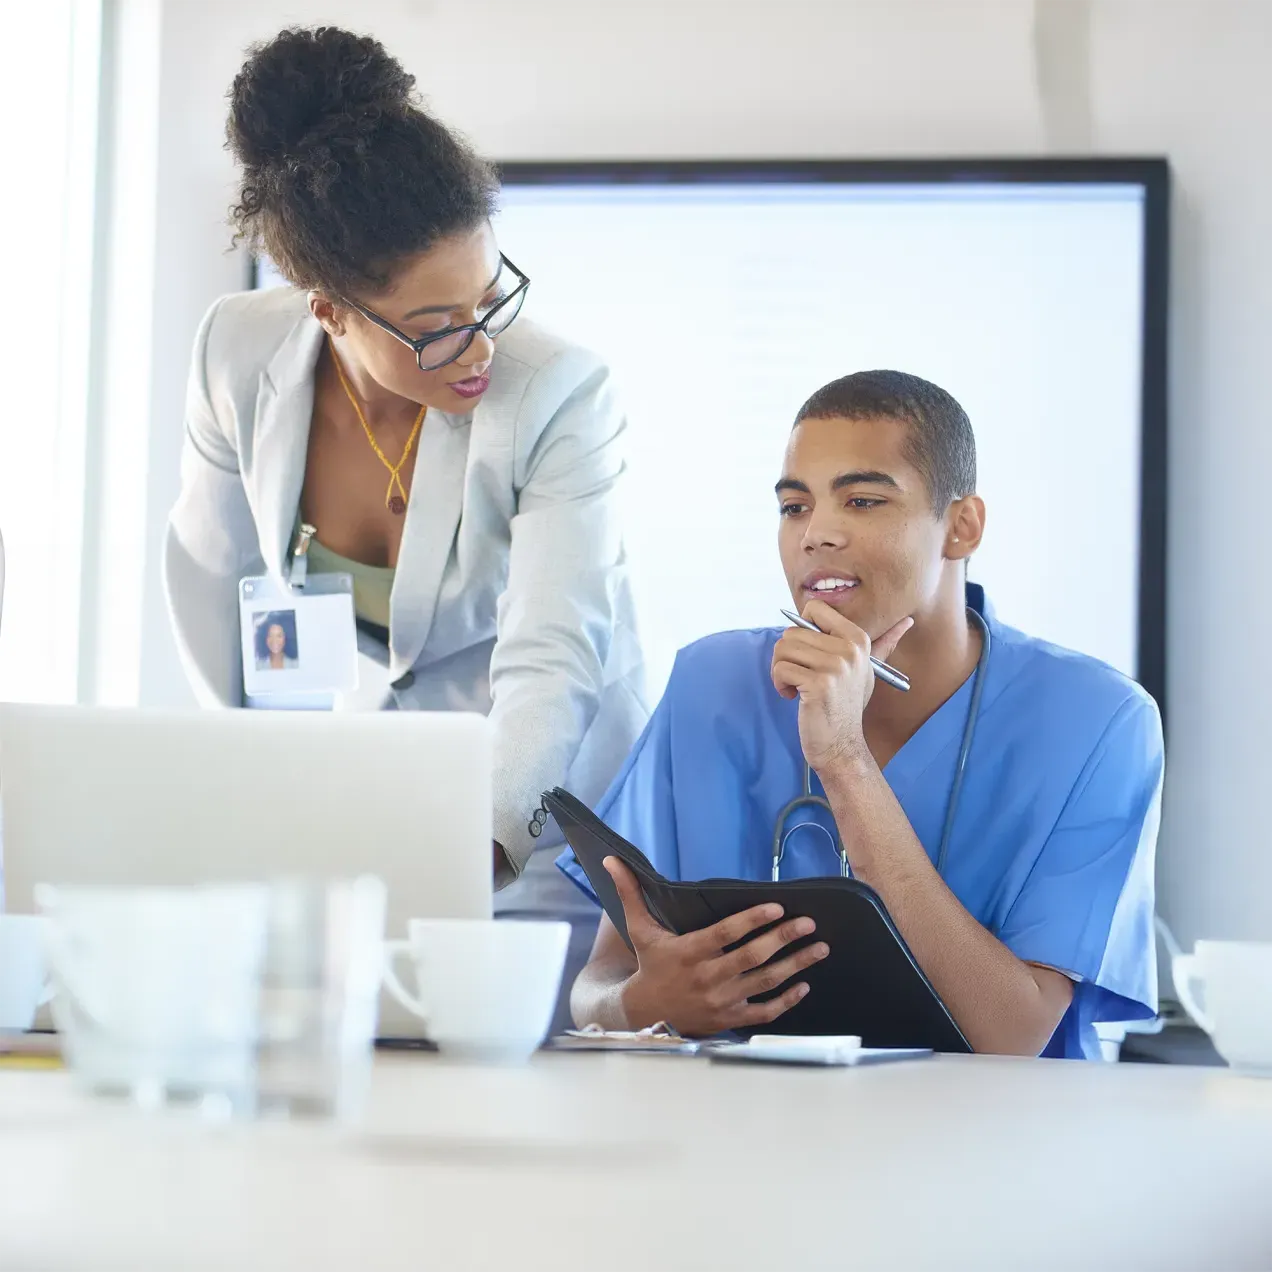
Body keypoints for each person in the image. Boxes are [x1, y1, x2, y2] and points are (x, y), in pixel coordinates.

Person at [163, 27, 647, 1019]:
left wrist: (469, 854)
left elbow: (551, 661)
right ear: (327, 310)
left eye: (489, 295)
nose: (478, 344)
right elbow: (216, 597)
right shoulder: (236, 355)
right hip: (356, 829)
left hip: (537, 842)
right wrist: (267, 815)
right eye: (433, 327)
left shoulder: (556, 394)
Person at [559, 370, 1163, 1060]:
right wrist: (646, 1003)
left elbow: (1011, 1036)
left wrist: (844, 759)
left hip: (991, 1147)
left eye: (864, 500)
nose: (817, 534)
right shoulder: (712, 684)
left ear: (961, 526)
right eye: (794, 508)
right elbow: (601, 985)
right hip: (740, 1140)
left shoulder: (1100, 721)